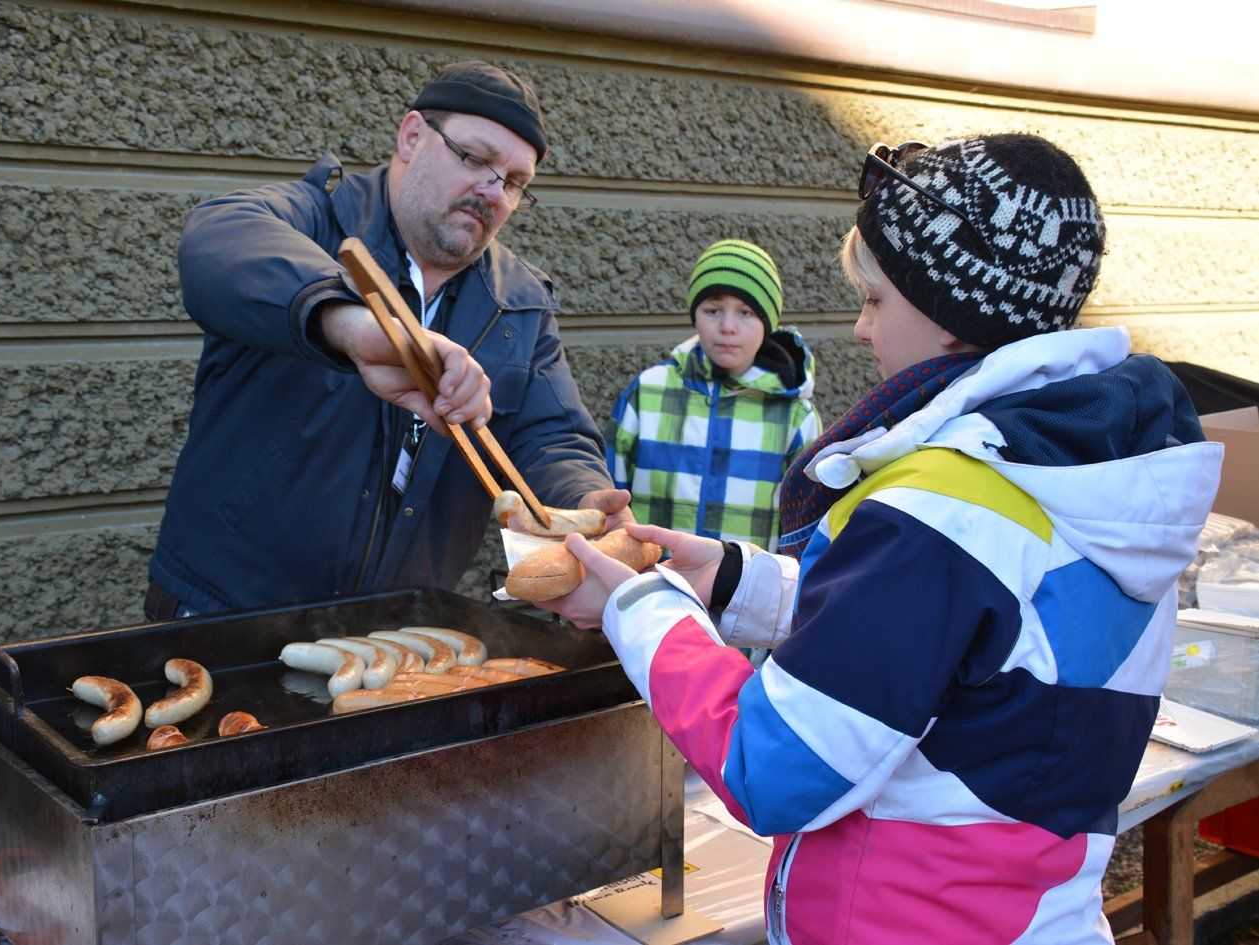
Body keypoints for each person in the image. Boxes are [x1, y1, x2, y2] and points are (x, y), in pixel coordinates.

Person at [539, 134, 1223, 943]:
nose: (861, 328)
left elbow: (773, 764)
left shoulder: (943, 506)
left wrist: (639, 604)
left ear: (952, 317)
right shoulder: (1081, 468)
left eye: (874, 299)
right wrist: (731, 579)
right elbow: (964, 638)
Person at [145, 61, 628, 620]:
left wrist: (584, 499)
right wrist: (350, 326)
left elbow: (552, 436)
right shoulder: (317, 220)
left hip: (394, 632)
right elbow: (217, 238)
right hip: (222, 612)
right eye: (475, 158)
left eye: (516, 182)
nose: (493, 192)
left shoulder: (520, 302)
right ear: (412, 136)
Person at [602, 239, 820, 550]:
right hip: (649, 577)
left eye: (746, 312)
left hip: (746, 581)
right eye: (713, 310)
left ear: (767, 322)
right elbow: (611, 496)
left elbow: (804, 528)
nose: (728, 326)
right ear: (695, 315)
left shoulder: (794, 415)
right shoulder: (647, 393)